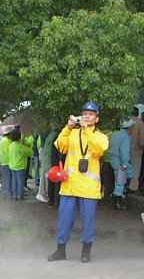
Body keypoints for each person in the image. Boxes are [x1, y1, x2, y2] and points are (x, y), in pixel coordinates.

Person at [47, 102, 109, 263]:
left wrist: (87, 130)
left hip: (89, 187)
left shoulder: (100, 136)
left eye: (91, 114)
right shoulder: (73, 133)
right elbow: (60, 146)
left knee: (88, 221)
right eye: (85, 114)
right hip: (70, 184)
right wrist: (67, 128)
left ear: (97, 119)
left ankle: (86, 251)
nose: (87, 116)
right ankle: (60, 250)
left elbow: (99, 149)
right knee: (64, 219)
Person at [108, 119, 134, 210]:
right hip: (120, 161)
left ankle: (116, 198)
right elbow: (125, 152)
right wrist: (125, 164)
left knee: (118, 180)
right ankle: (118, 200)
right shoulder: (125, 137)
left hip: (113, 160)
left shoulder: (114, 134)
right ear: (129, 127)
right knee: (121, 181)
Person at [7, 130, 33, 200]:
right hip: (20, 166)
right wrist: (25, 144)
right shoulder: (20, 146)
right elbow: (30, 152)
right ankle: (20, 195)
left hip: (12, 165)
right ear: (19, 137)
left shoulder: (10, 146)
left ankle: (15, 195)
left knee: (14, 181)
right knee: (20, 181)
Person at [127, 105, 144, 193]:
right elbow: (142, 140)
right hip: (136, 149)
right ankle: (133, 187)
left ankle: (122, 187)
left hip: (124, 148)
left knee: (123, 168)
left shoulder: (126, 122)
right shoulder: (140, 123)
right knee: (135, 169)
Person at [0, 130, 14, 200]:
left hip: (3, 161)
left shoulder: (2, 140)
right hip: (8, 161)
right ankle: (8, 193)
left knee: (4, 178)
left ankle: (4, 193)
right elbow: (10, 151)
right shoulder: (8, 141)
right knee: (8, 178)